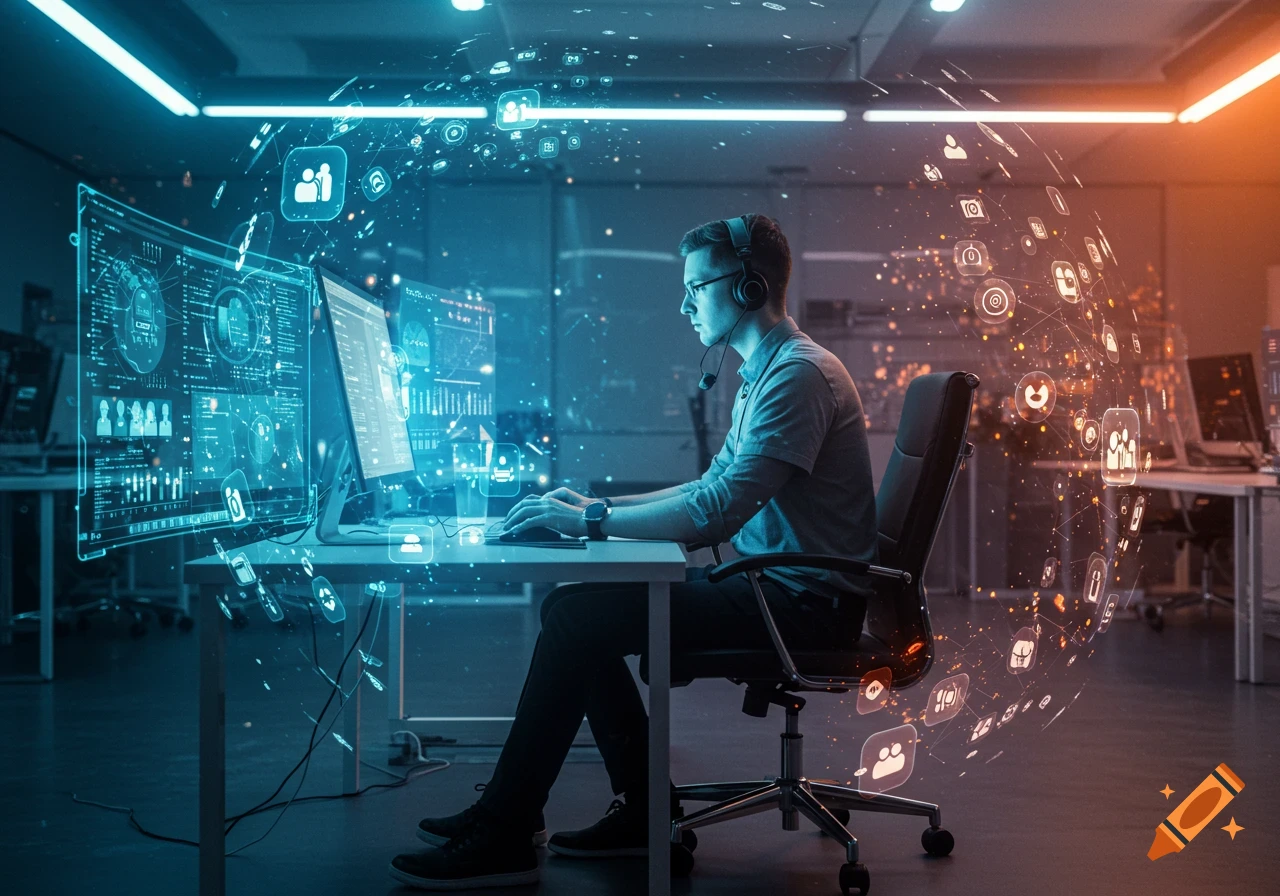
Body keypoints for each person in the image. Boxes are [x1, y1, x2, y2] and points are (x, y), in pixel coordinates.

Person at [389, 214, 880, 890]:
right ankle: (636, 813)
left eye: (696, 287)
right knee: (572, 607)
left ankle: (507, 829)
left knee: (577, 618)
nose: (683, 305)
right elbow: (713, 487)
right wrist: (593, 510)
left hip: (799, 605)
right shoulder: (770, 370)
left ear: (748, 287)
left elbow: (714, 515)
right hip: (778, 587)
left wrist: (588, 522)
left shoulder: (798, 378)